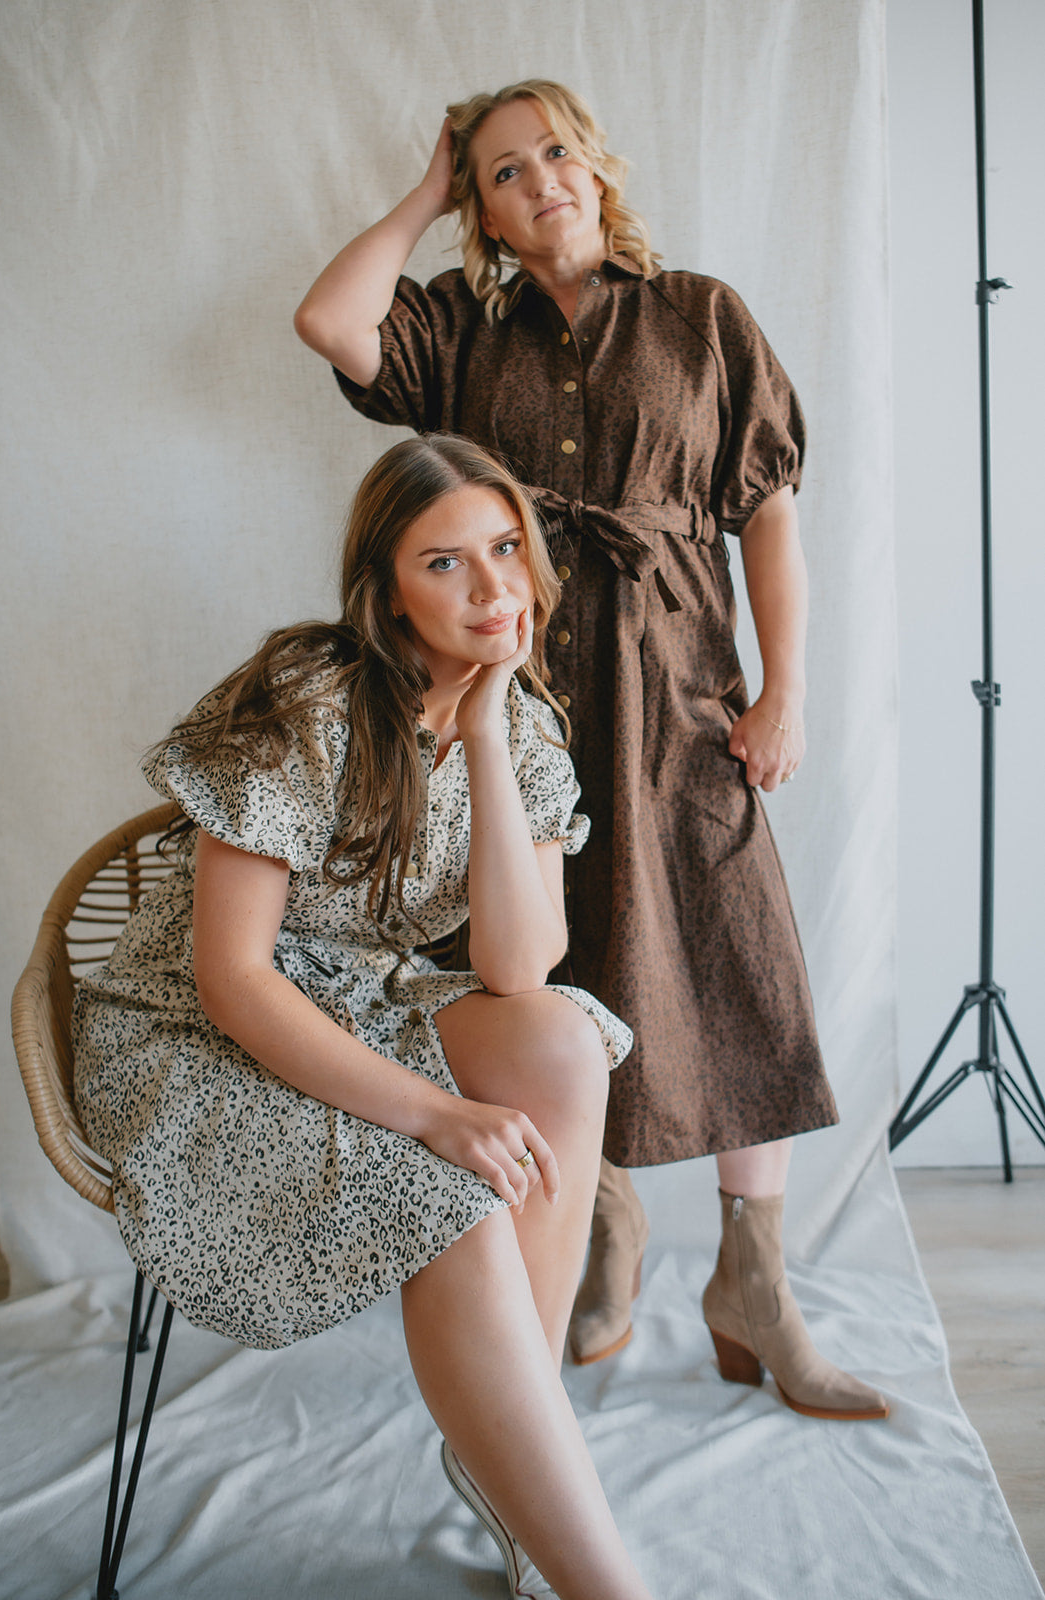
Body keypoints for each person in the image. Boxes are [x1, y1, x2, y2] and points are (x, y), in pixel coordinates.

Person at [294, 80, 889, 1422]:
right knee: (554, 967)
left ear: (598, 166)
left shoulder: (701, 316)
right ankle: (603, 1228)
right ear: (485, 212)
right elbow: (331, 322)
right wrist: (427, 191)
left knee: (733, 956)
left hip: (682, 691)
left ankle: (754, 1279)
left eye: (554, 152)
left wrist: (786, 690)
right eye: (503, 173)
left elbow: (768, 514)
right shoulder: (460, 330)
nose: (539, 180)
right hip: (518, 708)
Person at [73, 434, 656, 1600]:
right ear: (387, 591)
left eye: (505, 548)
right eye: (445, 563)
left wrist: (484, 733)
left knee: (561, 1038)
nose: (491, 587)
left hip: (360, 999)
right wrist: (436, 1115)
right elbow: (234, 980)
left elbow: (518, 964)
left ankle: (509, 1451)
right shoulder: (307, 704)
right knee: (455, 1195)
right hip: (193, 1028)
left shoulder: (524, 729)